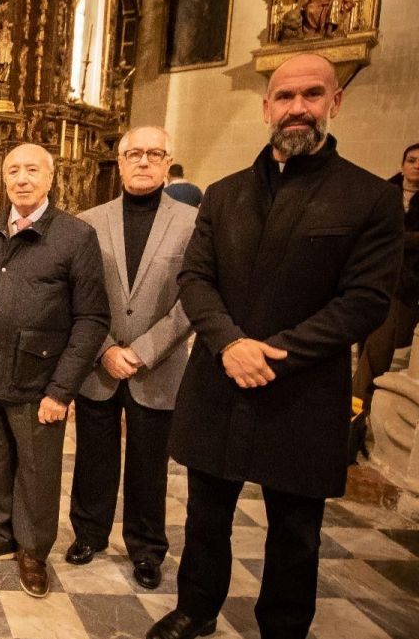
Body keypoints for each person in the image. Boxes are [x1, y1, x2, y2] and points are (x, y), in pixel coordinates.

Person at [148, 53, 402, 639]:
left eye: (312, 95)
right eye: (284, 97)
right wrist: (230, 344)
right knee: (206, 514)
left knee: (295, 531)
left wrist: (271, 353)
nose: (297, 108)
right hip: (220, 379)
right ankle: (196, 609)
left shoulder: (369, 198)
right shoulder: (224, 194)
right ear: (266, 108)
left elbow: (364, 301)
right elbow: (195, 279)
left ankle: (283, 627)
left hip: (302, 392)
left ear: (335, 102)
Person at [0, 143, 109, 599]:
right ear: (4, 179)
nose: (22, 179)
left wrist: (61, 390)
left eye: (32, 170)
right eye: (13, 171)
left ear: (50, 177)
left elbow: (92, 319)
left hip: (40, 381)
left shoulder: (75, 236)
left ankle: (33, 550)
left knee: (38, 472)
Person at [69, 126, 197, 590]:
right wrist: (105, 349)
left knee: (149, 464)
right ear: (121, 162)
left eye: (154, 154)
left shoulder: (192, 222)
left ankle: (146, 549)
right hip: (99, 364)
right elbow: (77, 294)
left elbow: (194, 298)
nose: (144, 162)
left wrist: (142, 351)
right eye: (135, 154)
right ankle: (89, 534)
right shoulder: (87, 221)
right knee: (93, 457)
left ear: (167, 162)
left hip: (158, 365)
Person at [350, 142, 419, 458]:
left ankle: (351, 424)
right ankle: (356, 421)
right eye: (411, 160)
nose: (416, 166)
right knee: (364, 350)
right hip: (370, 281)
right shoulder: (384, 194)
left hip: (404, 290)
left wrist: (394, 238)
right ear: (402, 164)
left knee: (374, 358)